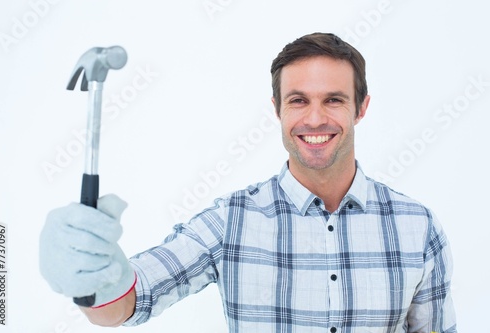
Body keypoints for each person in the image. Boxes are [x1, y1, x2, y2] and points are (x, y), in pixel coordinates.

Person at [40, 32, 457, 332]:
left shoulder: (417, 226)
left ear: (360, 108)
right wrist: (96, 281)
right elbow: (132, 301)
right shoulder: (231, 220)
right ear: (277, 108)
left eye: (333, 99)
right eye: (298, 100)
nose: (315, 119)